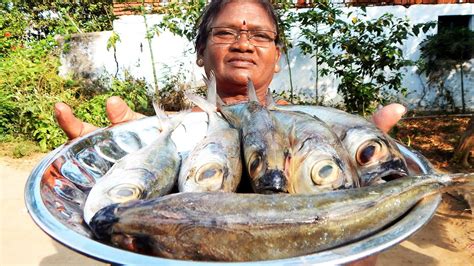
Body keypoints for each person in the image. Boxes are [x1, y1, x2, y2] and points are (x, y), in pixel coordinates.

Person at [54, 0, 406, 264]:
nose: (243, 44)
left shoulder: (320, 133)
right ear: (200, 52)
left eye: (260, 35)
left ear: (277, 56)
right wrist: (111, 163)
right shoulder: (172, 134)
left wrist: (363, 192)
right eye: (225, 33)